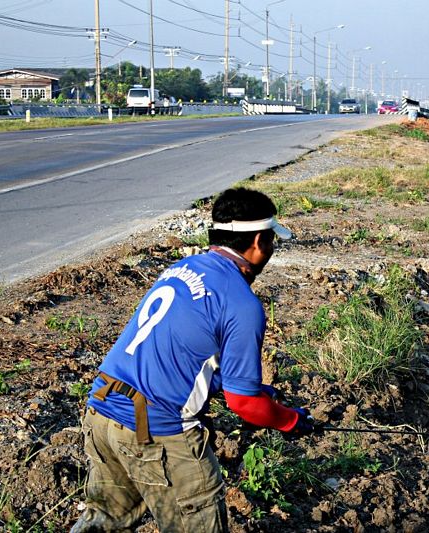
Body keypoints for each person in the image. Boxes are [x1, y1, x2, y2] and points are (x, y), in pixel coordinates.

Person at [71, 188, 314, 533]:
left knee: (104, 520)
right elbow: (244, 404)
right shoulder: (242, 304)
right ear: (259, 242)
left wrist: (238, 385)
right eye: (272, 240)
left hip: (102, 410)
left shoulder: (181, 269)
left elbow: (181, 355)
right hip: (154, 431)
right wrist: (290, 421)